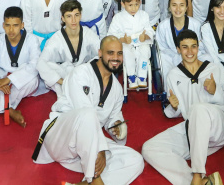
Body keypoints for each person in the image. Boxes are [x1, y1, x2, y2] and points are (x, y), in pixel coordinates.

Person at [32, 36, 144, 185]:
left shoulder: (116, 89)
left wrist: (117, 127)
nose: (115, 58)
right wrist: (101, 149)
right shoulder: (81, 73)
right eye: (110, 53)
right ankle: (95, 180)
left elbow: (113, 118)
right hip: (60, 138)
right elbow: (84, 113)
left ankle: (85, 184)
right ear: (100, 53)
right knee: (88, 114)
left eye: (119, 53)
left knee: (135, 160)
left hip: (83, 153)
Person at [143, 29, 224, 185]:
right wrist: (173, 106)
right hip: (194, 132)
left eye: (193, 46)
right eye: (185, 47)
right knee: (149, 148)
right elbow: (176, 112)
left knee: (199, 109)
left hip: (219, 126)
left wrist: (215, 90)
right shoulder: (173, 75)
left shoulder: (214, 68)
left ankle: (198, 173)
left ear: (198, 47)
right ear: (178, 49)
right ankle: (197, 182)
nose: (190, 51)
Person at [0, 6, 41, 126]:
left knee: (33, 80)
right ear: (3, 25)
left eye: (15, 25)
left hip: (22, 77)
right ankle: (10, 110)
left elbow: (35, 65)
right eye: (8, 25)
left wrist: (9, 79)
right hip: (2, 73)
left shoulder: (32, 40)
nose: (11, 30)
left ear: (22, 25)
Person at [37, 0, 100, 95]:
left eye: (76, 15)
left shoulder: (89, 34)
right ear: (63, 18)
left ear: (81, 16)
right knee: (47, 65)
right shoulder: (56, 39)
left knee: (100, 58)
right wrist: (63, 81)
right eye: (69, 16)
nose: (73, 20)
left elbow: (102, 52)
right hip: (65, 75)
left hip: (84, 73)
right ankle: (64, 91)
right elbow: (41, 63)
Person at [108, 0, 155, 89]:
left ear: (140, 2)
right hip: (126, 43)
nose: (134, 8)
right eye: (130, 5)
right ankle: (132, 76)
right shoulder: (118, 18)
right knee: (126, 53)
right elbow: (111, 35)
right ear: (123, 4)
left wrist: (145, 36)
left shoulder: (144, 15)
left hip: (141, 42)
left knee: (145, 52)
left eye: (136, 5)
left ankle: (142, 77)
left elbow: (150, 30)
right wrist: (122, 39)